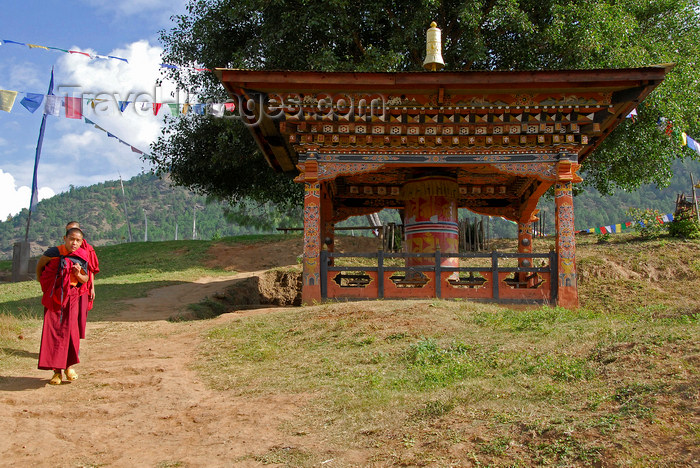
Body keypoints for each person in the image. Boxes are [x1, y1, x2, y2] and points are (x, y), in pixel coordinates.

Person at [36, 227, 91, 385]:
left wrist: (78, 273)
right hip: (54, 297)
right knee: (53, 333)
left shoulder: (81, 255)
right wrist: (45, 286)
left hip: (72, 297)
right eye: (71, 239)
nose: (74, 243)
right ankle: (56, 372)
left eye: (78, 240)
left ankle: (69, 367)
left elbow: (85, 279)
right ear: (65, 238)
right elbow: (40, 268)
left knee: (71, 333)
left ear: (81, 242)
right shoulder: (53, 252)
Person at [65, 221, 99, 339]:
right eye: (69, 232)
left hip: (85, 285)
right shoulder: (64, 249)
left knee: (81, 314)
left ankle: (76, 339)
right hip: (69, 288)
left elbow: (92, 269)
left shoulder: (88, 249)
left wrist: (92, 288)